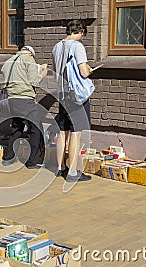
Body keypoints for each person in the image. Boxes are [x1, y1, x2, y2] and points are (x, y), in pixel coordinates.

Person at [51, 20, 93, 182]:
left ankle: (60, 167)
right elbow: (83, 72)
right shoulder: (77, 46)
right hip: (76, 94)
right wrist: (89, 69)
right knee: (76, 133)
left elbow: (55, 73)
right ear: (81, 31)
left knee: (62, 132)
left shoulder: (57, 47)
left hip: (62, 93)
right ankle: (73, 172)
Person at [1, 45, 48, 169]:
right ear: (31, 54)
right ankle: (34, 161)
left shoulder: (9, 61)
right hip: (25, 99)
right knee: (36, 128)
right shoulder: (28, 60)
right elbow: (34, 81)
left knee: (17, 127)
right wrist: (42, 73)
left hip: (12, 99)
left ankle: (8, 157)